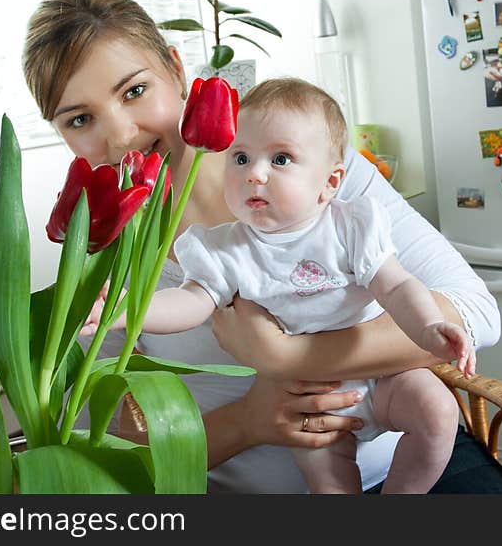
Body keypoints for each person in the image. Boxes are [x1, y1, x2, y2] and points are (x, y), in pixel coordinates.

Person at [22, 0, 502, 493]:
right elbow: (110, 439)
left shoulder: (312, 169)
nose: (120, 135)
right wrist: (249, 421)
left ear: (174, 67)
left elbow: (474, 312)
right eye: (80, 119)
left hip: (406, 467)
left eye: (135, 91)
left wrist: (284, 357)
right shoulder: (104, 252)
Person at [87, 78, 474, 493]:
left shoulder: (352, 226)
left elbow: (398, 288)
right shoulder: (225, 248)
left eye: (281, 159)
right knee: (328, 483)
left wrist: (430, 327)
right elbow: (190, 302)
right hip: (303, 399)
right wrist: (131, 310)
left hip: (381, 378)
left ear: (329, 182)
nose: (255, 174)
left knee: (438, 411)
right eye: (240, 158)